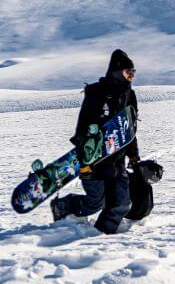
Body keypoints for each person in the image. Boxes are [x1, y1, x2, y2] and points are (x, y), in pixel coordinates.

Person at [50, 49, 139, 233]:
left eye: (133, 72)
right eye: (127, 71)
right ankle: (64, 206)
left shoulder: (130, 95)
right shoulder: (96, 94)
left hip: (117, 159)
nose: (131, 75)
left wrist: (134, 155)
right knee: (95, 203)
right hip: (94, 159)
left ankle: (101, 235)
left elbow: (130, 129)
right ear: (116, 71)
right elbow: (82, 127)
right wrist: (84, 162)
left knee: (122, 204)